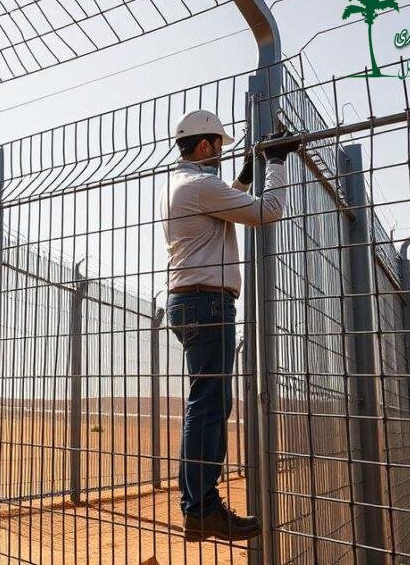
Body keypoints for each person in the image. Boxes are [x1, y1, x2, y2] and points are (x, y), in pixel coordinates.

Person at [159, 110, 299, 542]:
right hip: (207, 303)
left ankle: (199, 506)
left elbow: (224, 203)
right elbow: (268, 211)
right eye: (219, 145)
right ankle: (201, 508)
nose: (221, 152)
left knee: (206, 403)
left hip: (191, 300)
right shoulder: (201, 186)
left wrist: (247, 173)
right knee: (209, 406)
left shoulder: (185, 184)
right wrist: (276, 162)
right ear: (205, 145)